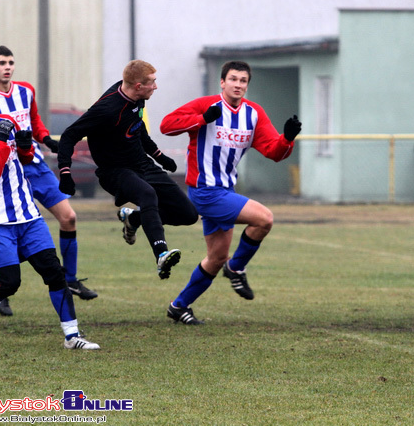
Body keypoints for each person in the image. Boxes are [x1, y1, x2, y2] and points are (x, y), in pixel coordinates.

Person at [0, 81, 99, 349]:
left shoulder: (4, 120)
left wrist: (24, 146)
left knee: (54, 273)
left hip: (28, 214)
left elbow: (26, 157)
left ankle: (72, 336)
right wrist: (0, 140)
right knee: (9, 283)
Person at [160, 60, 302, 324]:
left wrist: (287, 139)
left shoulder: (254, 113)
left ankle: (179, 306)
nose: (238, 84)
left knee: (215, 258)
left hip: (226, 190)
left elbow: (274, 152)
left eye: (243, 81)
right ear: (222, 82)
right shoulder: (206, 106)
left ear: (247, 85)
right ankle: (236, 269)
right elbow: (167, 125)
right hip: (205, 191)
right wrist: (201, 119)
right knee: (264, 218)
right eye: (233, 79)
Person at [57, 59, 198, 279]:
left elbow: (138, 130)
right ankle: (161, 254)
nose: (156, 87)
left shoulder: (138, 98)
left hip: (142, 165)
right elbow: (68, 136)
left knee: (188, 214)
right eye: (152, 82)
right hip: (114, 172)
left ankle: (134, 219)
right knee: (147, 194)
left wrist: (160, 157)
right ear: (138, 85)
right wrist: (65, 172)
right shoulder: (106, 109)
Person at [0, 45, 96, 318]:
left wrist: (46, 139)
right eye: (2, 62)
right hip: (7, 171)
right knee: (9, 228)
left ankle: (70, 279)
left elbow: (34, 121)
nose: (7, 66)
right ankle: (2, 292)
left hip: (34, 165)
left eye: (11, 61)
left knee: (69, 217)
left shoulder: (25, 90)